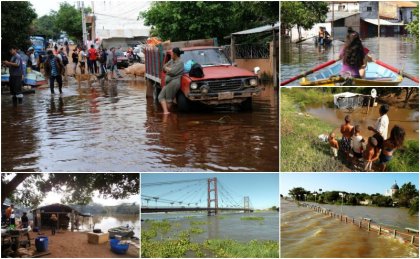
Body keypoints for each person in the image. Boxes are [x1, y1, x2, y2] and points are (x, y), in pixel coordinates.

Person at [158, 47, 185, 114]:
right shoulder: (172, 61)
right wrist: (168, 69)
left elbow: (173, 72)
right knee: (160, 97)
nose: (171, 55)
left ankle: (168, 114)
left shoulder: (180, 63)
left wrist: (168, 69)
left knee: (169, 100)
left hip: (174, 82)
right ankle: (166, 112)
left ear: (175, 54)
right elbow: (164, 67)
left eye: (172, 53)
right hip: (168, 82)